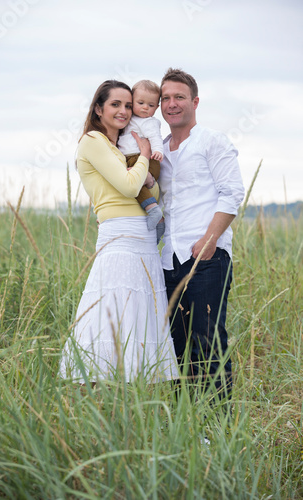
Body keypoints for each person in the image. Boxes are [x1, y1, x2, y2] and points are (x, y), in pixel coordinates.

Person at [59, 80, 178, 383]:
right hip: (120, 237)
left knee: (141, 319)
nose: (124, 111)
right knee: (113, 314)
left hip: (145, 238)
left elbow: (151, 188)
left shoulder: (119, 146)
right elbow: (128, 185)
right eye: (115, 104)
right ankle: (103, 400)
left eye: (128, 105)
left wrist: (145, 169)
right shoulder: (93, 141)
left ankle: (133, 407)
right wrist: (144, 154)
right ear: (98, 109)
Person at [158, 68, 245, 400]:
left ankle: (216, 425)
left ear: (194, 101)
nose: (171, 104)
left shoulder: (213, 141)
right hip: (170, 261)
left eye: (179, 97)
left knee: (208, 339)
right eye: (165, 98)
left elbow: (232, 193)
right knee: (176, 344)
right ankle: (187, 424)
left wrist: (209, 240)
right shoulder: (159, 151)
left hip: (208, 258)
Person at [118, 80, 165, 243]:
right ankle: (154, 215)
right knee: (130, 185)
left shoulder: (149, 122)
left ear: (156, 108)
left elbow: (155, 137)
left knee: (134, 182)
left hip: (144, 158)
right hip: (134, 157)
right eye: (141, 103)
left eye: (151, 105)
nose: (145, 107)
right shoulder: (129, 119)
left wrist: (158, 150)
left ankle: (153, 209)